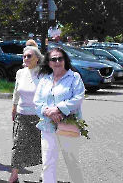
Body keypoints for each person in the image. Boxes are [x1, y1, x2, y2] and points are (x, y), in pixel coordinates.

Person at [34, 47, 85, 183]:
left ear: (65, 60)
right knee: (48, 162)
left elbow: (78, 97)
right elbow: (37, 101)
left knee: (72, 162)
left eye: (60, 58)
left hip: (68, 124)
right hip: (47, 126)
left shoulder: (74, 77)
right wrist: (48, 112)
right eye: (53, 59)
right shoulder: (45, 79)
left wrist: (58, 109)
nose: (57, 61)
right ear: (49, 62)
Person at [8, 46, 43, 183]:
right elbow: (16, 91)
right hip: (22, 115)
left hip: (39, 115)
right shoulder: (20, 73)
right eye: (24, 56)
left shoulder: (44, 73)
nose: (26, 58)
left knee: (42, 146)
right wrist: (13, 107)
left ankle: (44, 174)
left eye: (29, 56)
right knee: (18, 145)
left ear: (37, 58)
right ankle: (14, 176)